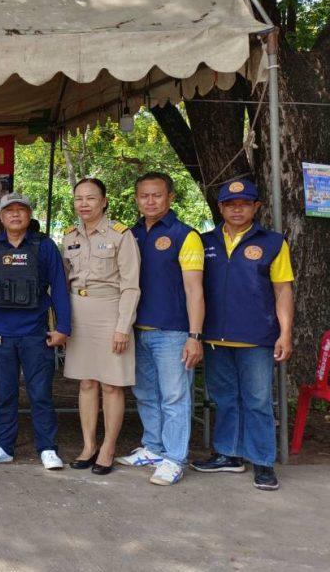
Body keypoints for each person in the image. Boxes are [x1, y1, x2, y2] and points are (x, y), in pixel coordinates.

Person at [191, 179, 294, 491]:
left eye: (245, 204)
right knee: (224, 398)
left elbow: (283, 290)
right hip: (215, 337)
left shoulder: (273, 242)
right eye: (230, 204)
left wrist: (285, 333)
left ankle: (262, 461)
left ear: (256, 207)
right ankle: (228, 454)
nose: (237, 209)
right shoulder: (204, 241)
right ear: (220, 207)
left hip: (256, 337)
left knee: (258, 400)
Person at [119, 172, 205, 486]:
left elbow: (195, 290)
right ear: (136, 199)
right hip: (137, 330)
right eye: (144, 196)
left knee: (174, 397)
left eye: (157, 195)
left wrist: (194, 336)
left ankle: (174, 458)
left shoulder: (185, 235)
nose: (150, 201)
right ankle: (153, 448)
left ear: (170, 197)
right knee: (145, 394)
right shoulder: (131, 235)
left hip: (173, 331)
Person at [0, 193, 71, 470]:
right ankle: (3, 446)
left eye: (21, 210)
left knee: (40, 394)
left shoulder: (44, 246)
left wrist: (63, 327)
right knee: (5, 393)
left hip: (35, 333)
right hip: (0, 335)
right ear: (1, 216)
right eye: (9, 210)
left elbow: (59, 287)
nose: (15, 215)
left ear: (29, 215)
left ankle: (48, 448)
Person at [60, 178, 141, 476]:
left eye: (91, 198)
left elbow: (131, 286)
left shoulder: (121, 235)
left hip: (110, 312)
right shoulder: (68, 237)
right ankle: (88, 445)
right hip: (79, 312)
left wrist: (123, 327)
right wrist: (62, 324)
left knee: (111, 384)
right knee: (86, 382)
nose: (84, 204)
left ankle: (108, 447)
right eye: (78, 198)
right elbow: (62, 283)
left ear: (104, 201)